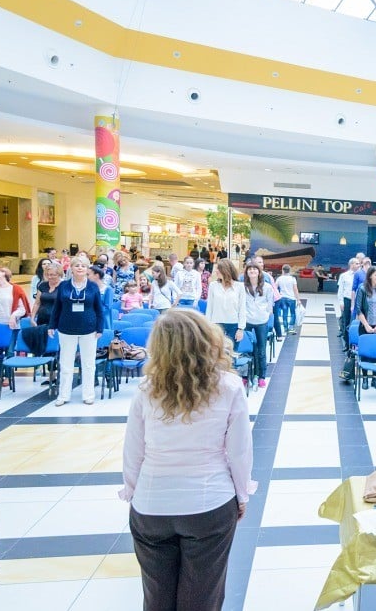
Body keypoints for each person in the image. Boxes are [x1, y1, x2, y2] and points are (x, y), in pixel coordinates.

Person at [120, 308, 255, 611]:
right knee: (202, 596)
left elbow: (133, 452)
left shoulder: (146, 390)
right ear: (206, 339)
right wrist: (242, 493)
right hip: (209, 503)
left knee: (156, 595)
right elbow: (239, 451)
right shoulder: (229, 386)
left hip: (151, 504)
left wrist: (132, 492)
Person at [48, 256, 104, 406]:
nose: (80, 268)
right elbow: (57, 308)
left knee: (88, 364)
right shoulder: (64, 286)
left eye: (83, 266)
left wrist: (100, 327)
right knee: (66, 364)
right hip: (66, 329)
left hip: (89, 330)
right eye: (77, 265)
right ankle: (63, 395)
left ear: (87, 269)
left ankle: (88, 395)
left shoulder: (93, 287)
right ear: (71, 268)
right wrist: (51, 325)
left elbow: (99, 309)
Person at [242, 262, 275, 388]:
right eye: (250, 269)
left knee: (261, 350)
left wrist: (264, 314)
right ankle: (246, 376)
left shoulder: (267, 287)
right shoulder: (243, 287)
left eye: (254, 269)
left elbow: (269, 304)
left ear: (259, 272)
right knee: (247, 350)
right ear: (246, 272)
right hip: (247, 321)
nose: (252, 271)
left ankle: (261, 376)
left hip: (261, 322)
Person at [206, 259, 246, 344]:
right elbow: (209, 307)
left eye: (219, 268)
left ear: (226, 270)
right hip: (216, 324)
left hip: (233, 325)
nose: (216, 271)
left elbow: (242, 308)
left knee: (232, 355)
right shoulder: (213, 285)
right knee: (216, 354)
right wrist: (208, 326)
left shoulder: (240, 287)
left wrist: (241, 329)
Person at [336, 258, 359, 351]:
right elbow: (340, 290)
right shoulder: (344, 276)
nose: (359, 265)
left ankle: (355, 344)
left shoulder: (361, 275)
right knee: (347, 321)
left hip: (358, 300)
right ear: (351, 265)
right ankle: (347, 343)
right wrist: (341, 301)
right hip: (347, 300)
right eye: (357, 263)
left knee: (356, 322)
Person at [88, 265, 115, 333]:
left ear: (96, 275)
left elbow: (107, 307)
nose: (86, 277)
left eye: (88, 274)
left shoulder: (108, 289)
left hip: (103, 320)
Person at [275, 264, 299, 334]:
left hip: (282, 298)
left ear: (282, 270)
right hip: (291, 298)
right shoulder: (292, 279)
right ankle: (291, 328)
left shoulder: (279, 278)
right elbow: (295, 290)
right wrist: (298, 299)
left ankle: (285, 328)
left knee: (284, 314)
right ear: (289, 270)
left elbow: (275, 288)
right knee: (293, 313)